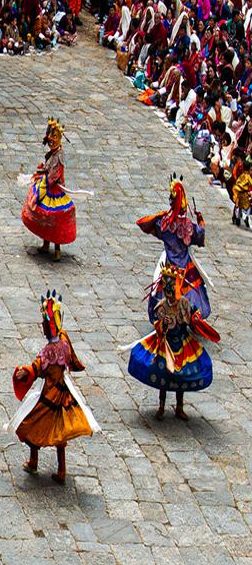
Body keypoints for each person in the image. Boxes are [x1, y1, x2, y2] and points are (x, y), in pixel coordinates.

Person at [6, 290, 100, 484]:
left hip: (50, 395)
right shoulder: (65, 339)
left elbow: (38, 367)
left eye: (44, 324)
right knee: (60, 432)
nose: (42, 327)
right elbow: (72, 360)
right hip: (63, 392)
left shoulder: (50, 350)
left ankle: (34, 461)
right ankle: (61, 470)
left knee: (30, 423)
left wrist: (26, 372)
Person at [124, 265, 220, 421]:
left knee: (180, 376)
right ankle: (161, 406)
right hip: (165, 344)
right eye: (166, 288)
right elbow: (157, 324)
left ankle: (179, 407)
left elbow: (192, 320)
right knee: (164, 375)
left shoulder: (184, 304)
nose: (169, 293)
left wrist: (194, 320)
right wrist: (163, 324)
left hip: (182, 343)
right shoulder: (162, 306)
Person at [136, 174, 212, 323]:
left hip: (169, 266)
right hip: (185, 266)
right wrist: (200, 219)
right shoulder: (189, 227)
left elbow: (144, 223)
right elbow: (200, 236)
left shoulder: (163, 224)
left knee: (164, 291)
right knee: (191, 294)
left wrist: (161, 215)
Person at [21, 118, 80, 262]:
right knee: (44, 216)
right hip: (47, 184)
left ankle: (57, 249)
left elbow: (55, 175)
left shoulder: (59, 156)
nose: (51, 139)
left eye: (55, 137)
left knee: (55, 217)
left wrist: (43, 182)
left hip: (53, 189)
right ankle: (46, 243)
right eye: (50, 136)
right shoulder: (52, 154)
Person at [232, 157, 252, 227]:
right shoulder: (248, 176)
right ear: (249, 169)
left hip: (237, 191)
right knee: (248, 206)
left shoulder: (241, 175)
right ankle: (245, 216)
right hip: (244, 193)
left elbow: (237, 182)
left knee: (238, 205)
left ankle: (237, 217)